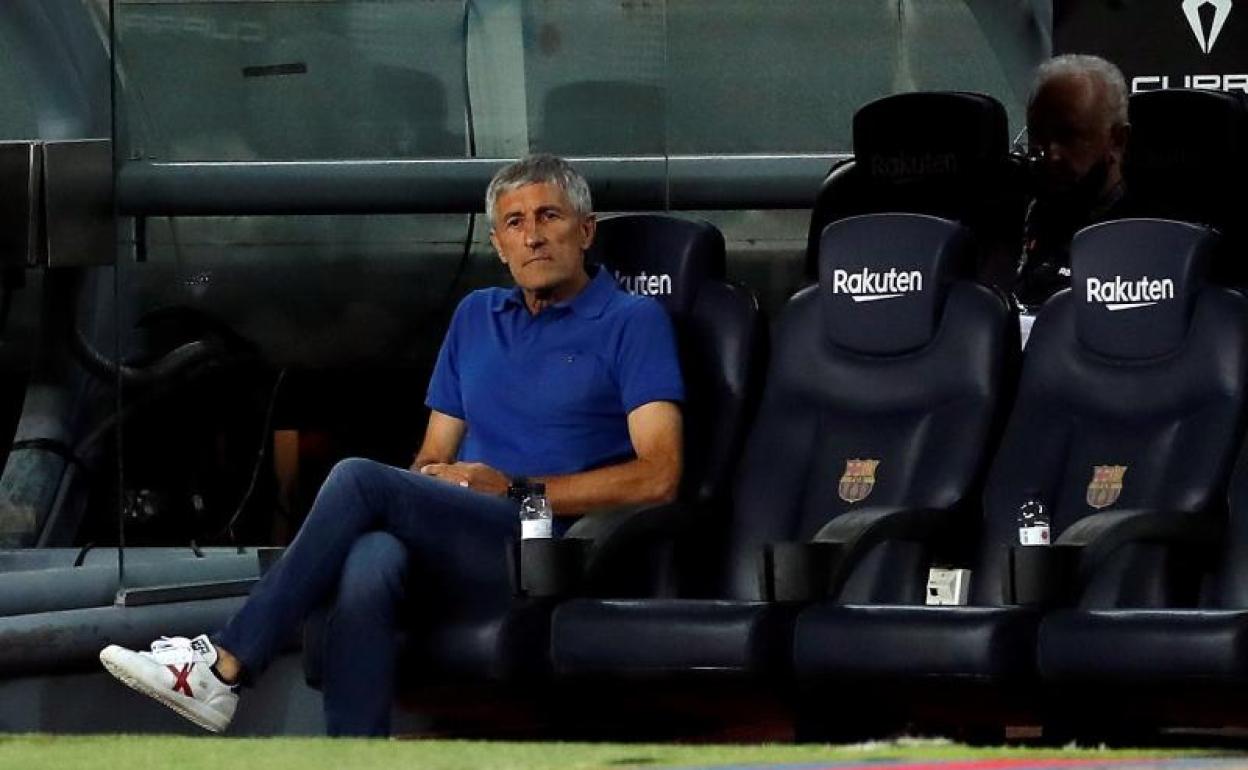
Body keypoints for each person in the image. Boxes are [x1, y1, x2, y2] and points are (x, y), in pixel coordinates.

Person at [98, 154, 685, 736]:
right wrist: (433, 483)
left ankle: (224, 667)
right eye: (515, 223)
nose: (532, 236)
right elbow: (433, 454)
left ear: (585, 230)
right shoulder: (475, 316)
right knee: (370, 558)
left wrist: (514, 488)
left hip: (548, 546)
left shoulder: (632, 322)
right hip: (466, 536)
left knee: (358, 478)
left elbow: (659, 476)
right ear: (499, 245)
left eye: (549, 216)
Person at [1013, 54, 1131, 310]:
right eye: (1038, 136)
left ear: (1117, 140)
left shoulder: (1145, 235)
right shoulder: (1017, 216)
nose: (1051, 154)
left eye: (1069, 136)